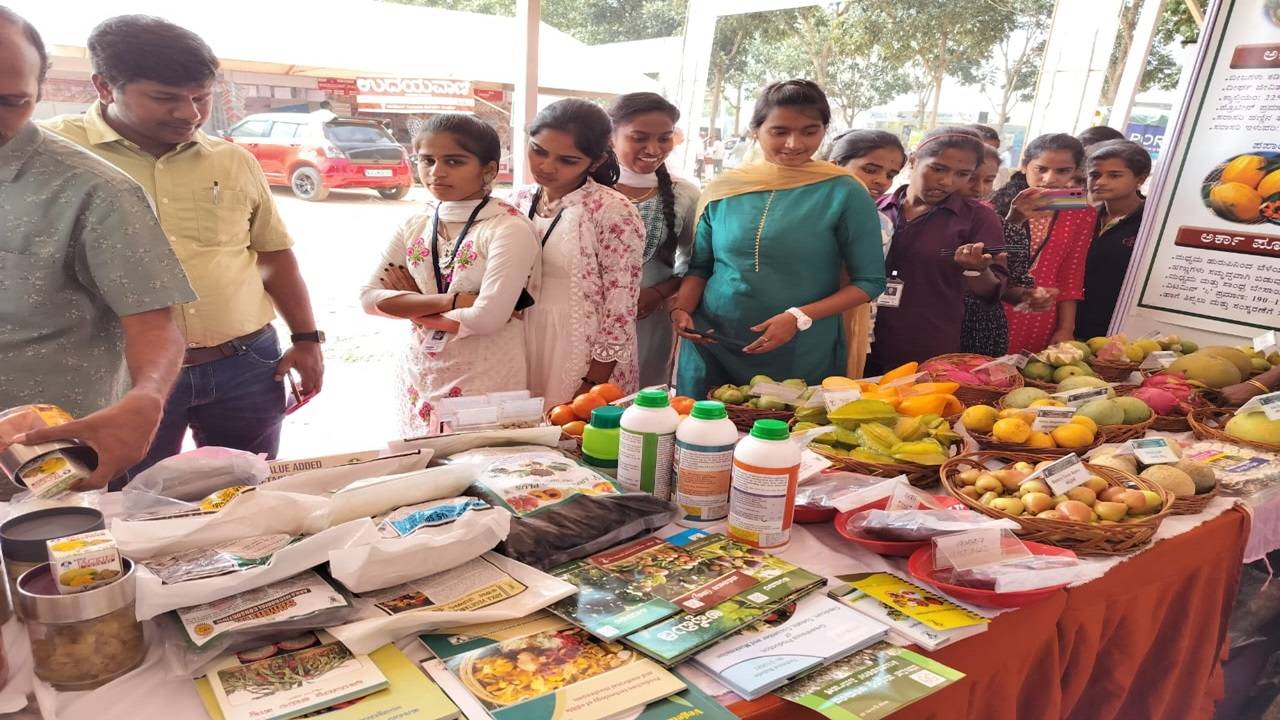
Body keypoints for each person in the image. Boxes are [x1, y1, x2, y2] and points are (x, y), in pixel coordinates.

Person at [45, 16, 325, 477]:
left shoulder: (232, 160)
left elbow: (272, 255)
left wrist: (307, 339)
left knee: (247, 491)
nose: (190, 114)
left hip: (247, 365)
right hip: (125, 376)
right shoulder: (55, 154)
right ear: (104, 86)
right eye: (166, 98)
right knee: (132, 502)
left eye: (201, 97)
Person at [0, 6, 195, 489]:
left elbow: (154, 322)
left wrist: (147, 396)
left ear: (39, 91)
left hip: (42, 478)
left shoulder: (94, 190)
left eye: (9, 102)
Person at [670, 80, 885, 397]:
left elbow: (869, 281)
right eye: (780, 131)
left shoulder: (844, 190)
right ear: (756, 129)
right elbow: (701, 266)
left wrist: (797, 317)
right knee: (700, 439)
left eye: (810, 131)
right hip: (712, 343)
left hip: (801, 349)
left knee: (783, 439)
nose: (794, 143)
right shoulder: (725, 188)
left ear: (825, 130)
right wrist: (681, 311)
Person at [360, 115, 539, 434]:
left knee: (481, 468)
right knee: (424, 465)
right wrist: (454, 300)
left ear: (489, 170)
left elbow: (488, 319)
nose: (436, 172)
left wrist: (412, 307)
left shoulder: (508, 228)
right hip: (422, 369)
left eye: (454, 161)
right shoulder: (415, 224)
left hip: (485, 371)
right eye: (427, 160)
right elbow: (369, 300)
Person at [510, 99, 645, 408]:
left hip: (583, 350)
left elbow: (621, 304)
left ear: (595, 162)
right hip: (520, 340)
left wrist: (593, 383)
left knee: (574, 439)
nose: (546, 166)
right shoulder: (516, 200)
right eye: (538, 150)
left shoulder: (612, 210)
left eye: (567, 160)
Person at [868, 127, 1007, 373]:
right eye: (938, 169)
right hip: (864, 338)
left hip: (927, 345)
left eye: (962, 174)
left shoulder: (978, 218)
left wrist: (976, 271)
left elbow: (990, 293)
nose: (947, 182)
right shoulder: (874, 207)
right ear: (913, 161)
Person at [608, 93, 700, 388]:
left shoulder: (684, 193)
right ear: (612, 136)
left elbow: (696, 264)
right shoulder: (588, 190)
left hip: (648, 319)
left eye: (664, 138)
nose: (653, 148)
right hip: (587, 318)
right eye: (639, 137)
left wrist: (658, 294)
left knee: (642, 405)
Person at [996, 133, 1096, 353]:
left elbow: (1072, 274)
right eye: (1041, 169)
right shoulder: (994, 204)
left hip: (1042, 310)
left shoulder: (1081, 211)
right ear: (1024, 165)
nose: (1050, 179)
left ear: (1076, 171)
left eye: (1063, 171)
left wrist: (1066, 328)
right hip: (994, 303)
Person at [956, 143, 1048, 357]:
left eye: (988, 180)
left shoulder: (1002, 225)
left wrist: (1031, 296)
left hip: (979, 330)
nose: (979, 189)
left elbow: (1013, 287)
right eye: (969, 177)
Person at [826, 129, 905, 376]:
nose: (882, 181)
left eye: (891, 175)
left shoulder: (883, 222)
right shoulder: (810, 214)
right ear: (835, 166)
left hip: (853, 320)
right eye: (870, 170)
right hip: (805, 316)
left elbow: (868, 282)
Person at [1076, 140, 1151, 340]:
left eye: (1114, 175)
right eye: (1094, 175)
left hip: (1120, 327)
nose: (1101, 181)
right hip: (1074, 319)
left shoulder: (1153, 221)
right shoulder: (1084, 216)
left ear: (1140, 179)